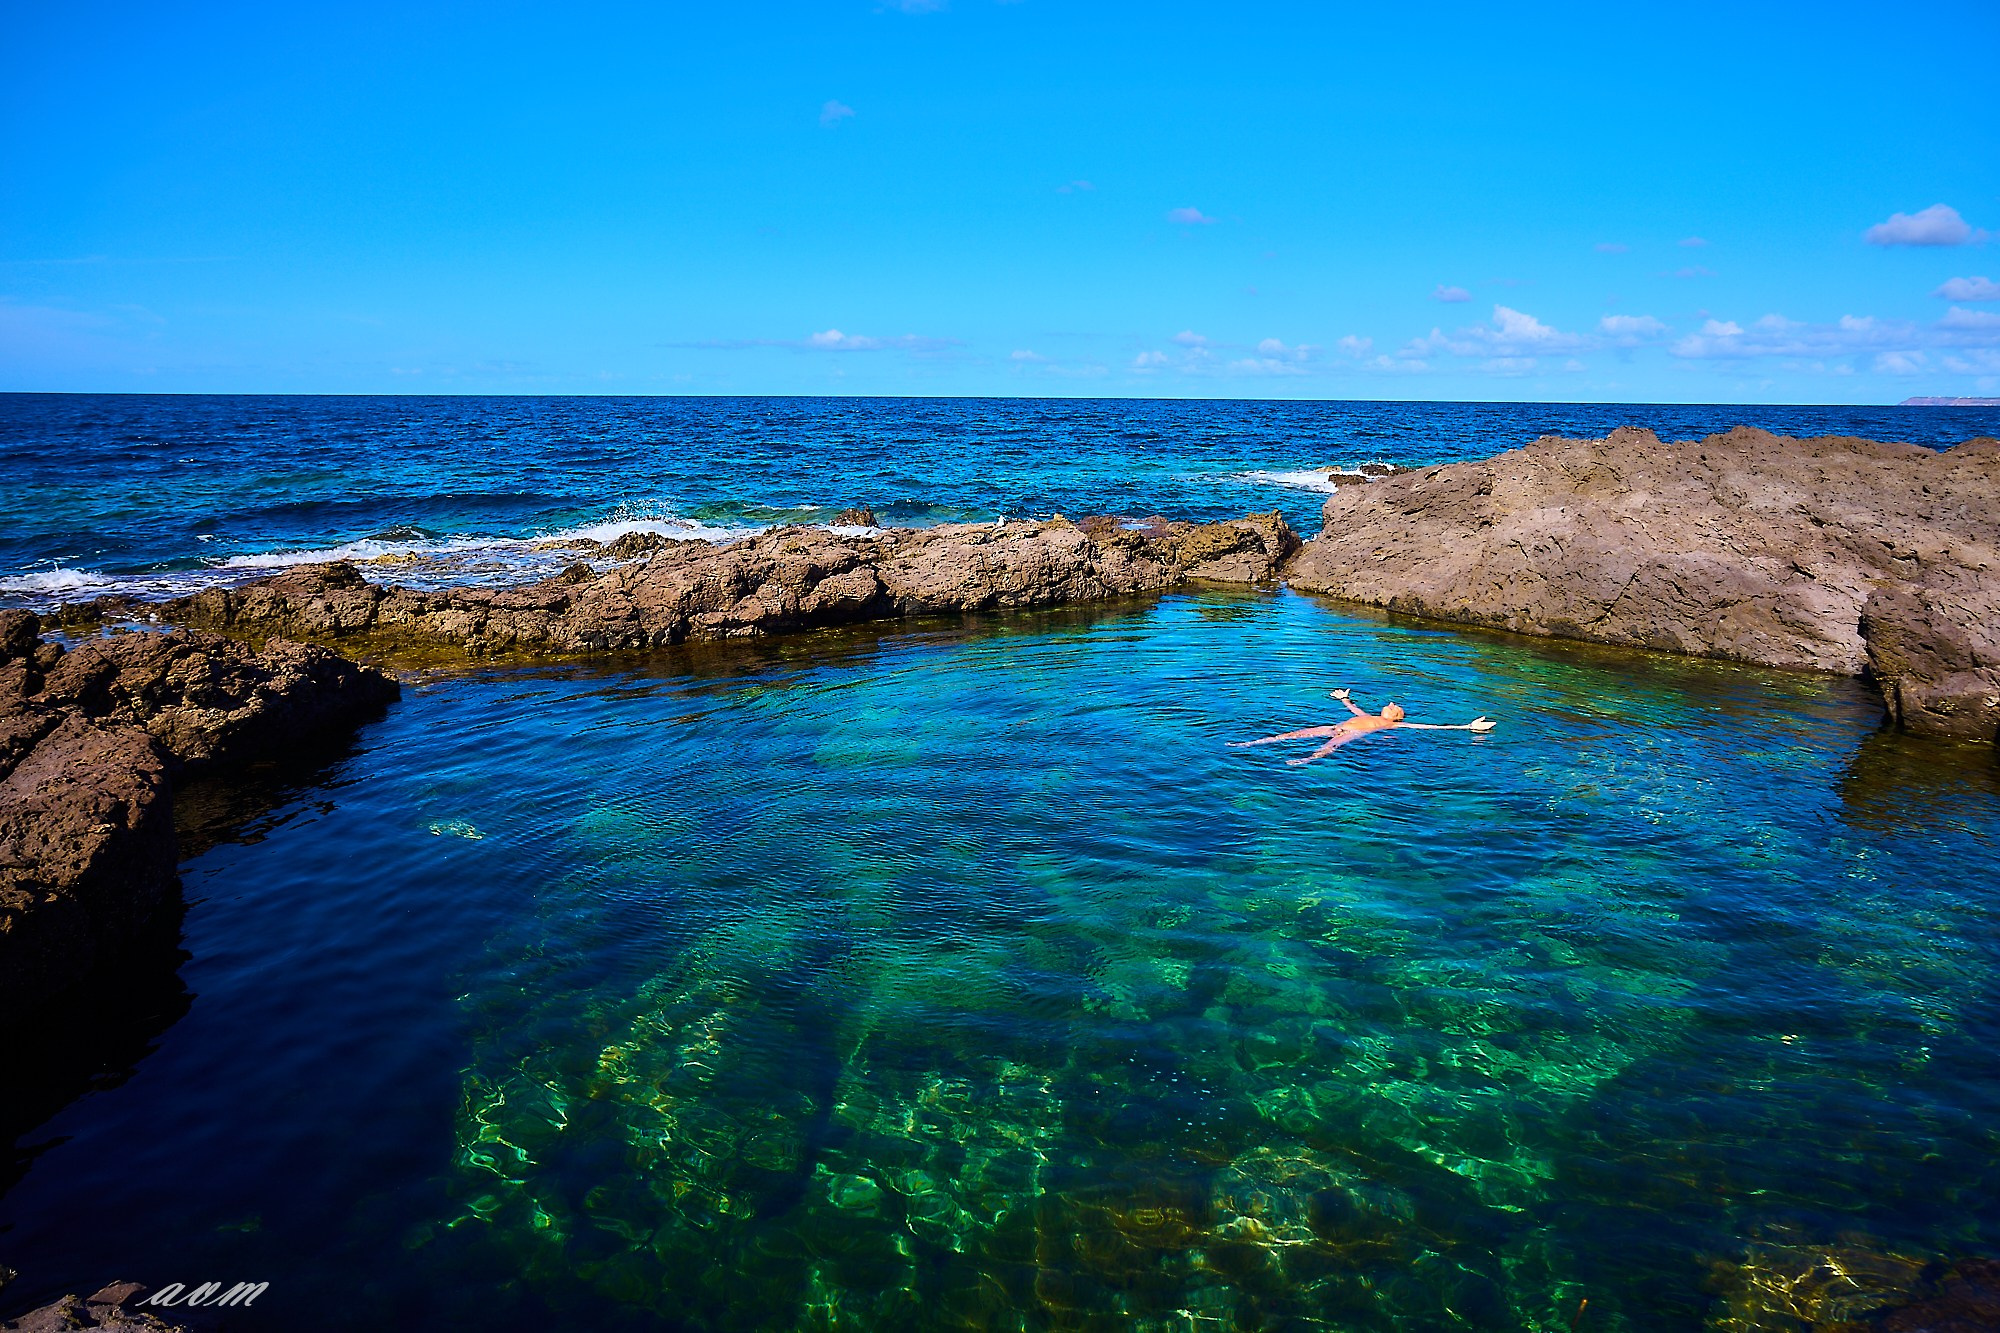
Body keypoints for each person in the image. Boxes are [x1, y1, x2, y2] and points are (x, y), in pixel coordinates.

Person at [1230, 689, 1496, 766]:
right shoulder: (1370, 714)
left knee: (1329, 748)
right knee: (1290, 734)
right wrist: (1343, 698)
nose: (1390, 703)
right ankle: (1249, 744)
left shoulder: (1395, 725)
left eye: (1395, 706)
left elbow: (1432, 728)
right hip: (1336, 725)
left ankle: (1305, 760)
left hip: (1352, 734)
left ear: (1397, 717)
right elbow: (1353, 710)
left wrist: (1466, 727)